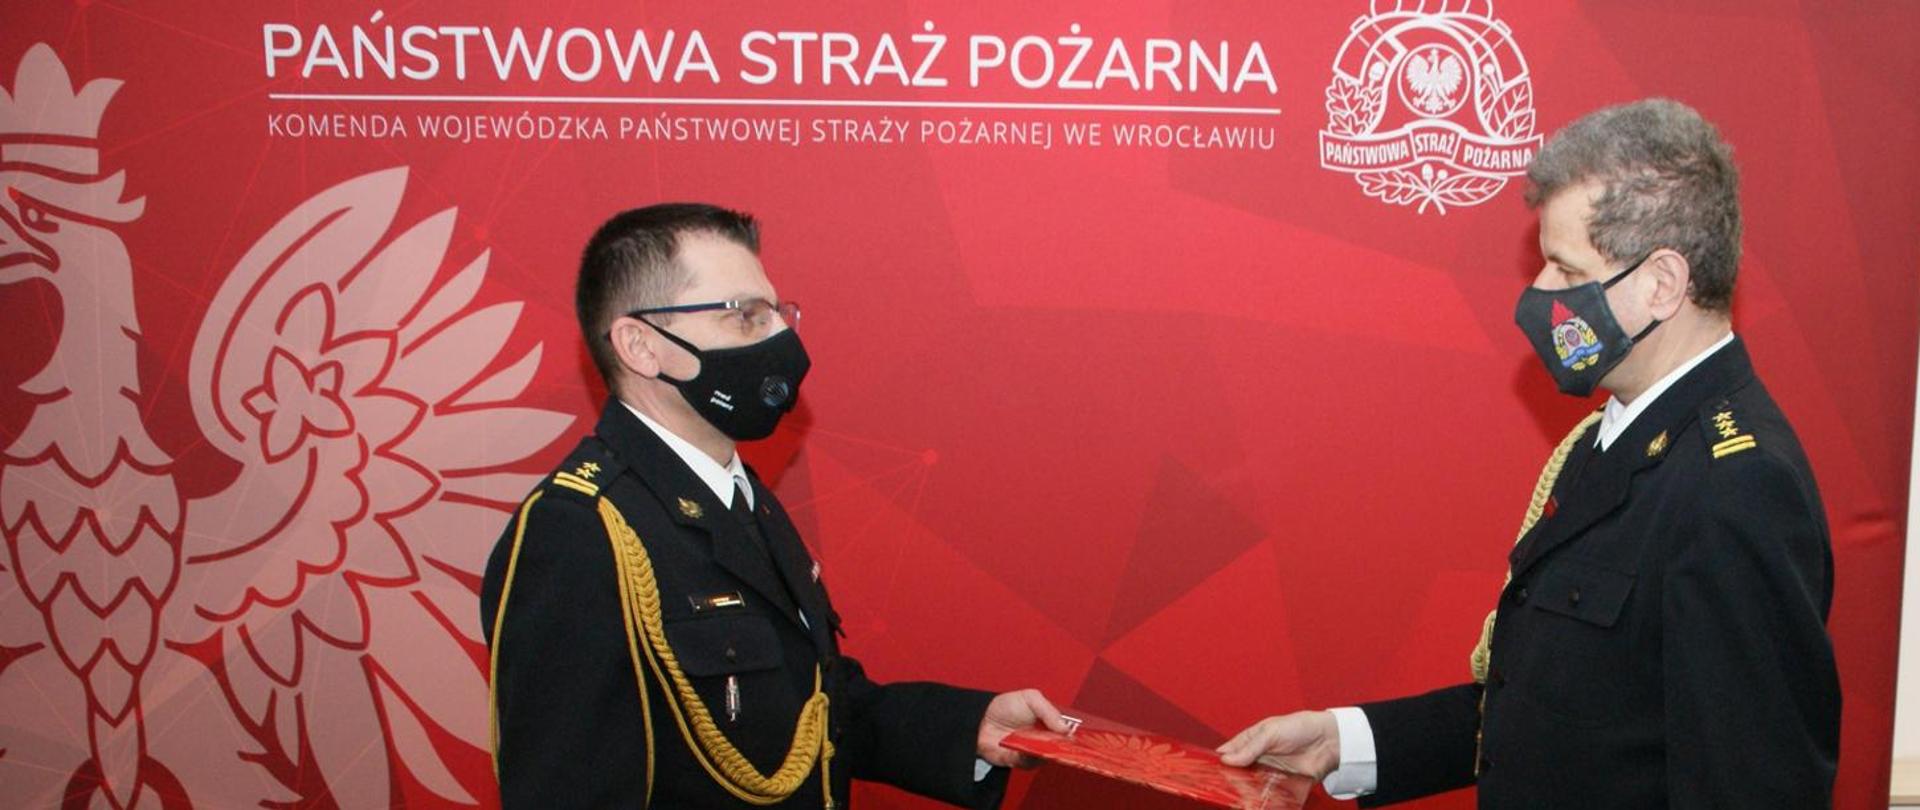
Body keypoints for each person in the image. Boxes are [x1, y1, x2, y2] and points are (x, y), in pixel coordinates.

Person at [1217, 98, 1841, 807]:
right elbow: (1557, 716)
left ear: (1662, 285)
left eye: (1566, 272)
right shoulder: (1610, 436)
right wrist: (1344, 742)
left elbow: (1752, 787)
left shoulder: (1738, 485)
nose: (1540, 292)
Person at [480, 203, 1066, 808]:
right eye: (745, 317)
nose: (781, 340)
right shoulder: (577, 530)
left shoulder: (739, 494)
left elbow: (809, 707)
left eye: (778, 314)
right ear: (641, 346)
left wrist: (970, 730)